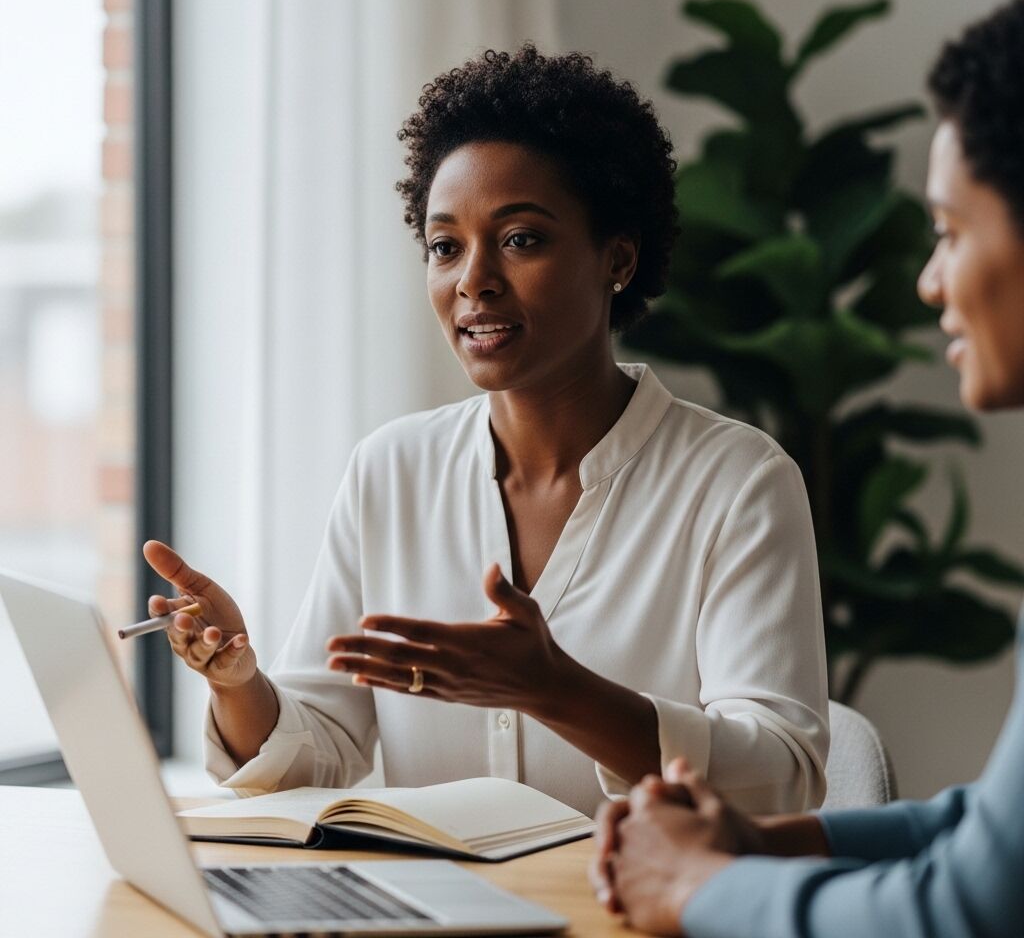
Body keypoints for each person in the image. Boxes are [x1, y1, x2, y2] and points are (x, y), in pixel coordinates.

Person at [143, 45, 829, 817]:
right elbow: (320, 749)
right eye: (446, 247)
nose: (474, 280)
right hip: (433, 893)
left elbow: (783, 772)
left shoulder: (738, 483)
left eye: (521, 238)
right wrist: (239, 684)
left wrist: (559, 691)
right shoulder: (391, 471)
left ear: (618, 258)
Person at [591, 0, 1024, 935]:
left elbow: (968, 908)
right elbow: (992, 837)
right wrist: (760, 844)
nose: (930, 281)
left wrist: (697, 888)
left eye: (951, 231)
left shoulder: (740, 475)